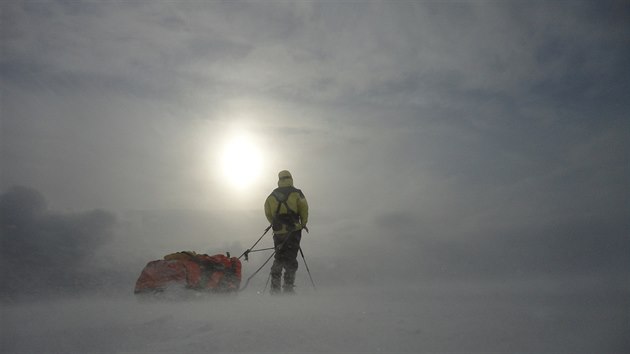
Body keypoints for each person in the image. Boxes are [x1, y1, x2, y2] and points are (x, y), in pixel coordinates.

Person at [264, 170, 309, 294]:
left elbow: (268, 212)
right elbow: (304, 209)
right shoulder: (297, 193)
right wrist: (303, 223)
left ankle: (275, 288)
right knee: (291, 258)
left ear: (279, 179)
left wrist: (275, 223)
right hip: (293, 230)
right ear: (291, 178)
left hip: (278, 232)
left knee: (279, 257)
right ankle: (288, 288)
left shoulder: (271, 195)